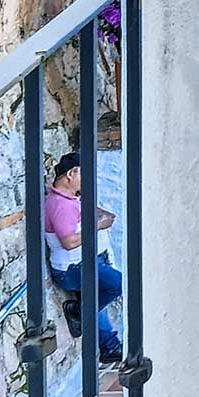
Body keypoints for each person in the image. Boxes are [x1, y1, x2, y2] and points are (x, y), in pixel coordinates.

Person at [44, 151, 124, 361]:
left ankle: (110, 348)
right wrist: (97, 225)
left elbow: (84, 212)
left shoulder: (70, 198)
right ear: (72, 173)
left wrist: (100, 214)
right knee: (117, 284)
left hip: (85, 261)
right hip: (72, 269)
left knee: (94, 298)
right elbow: (68, 242)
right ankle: (79, 311)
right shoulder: (61, 205)